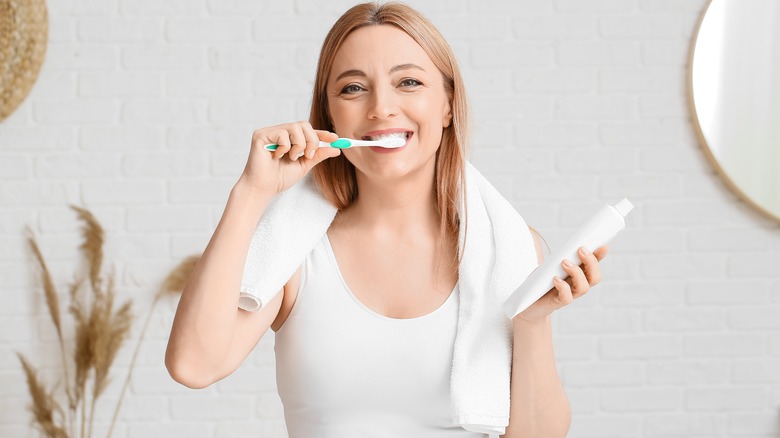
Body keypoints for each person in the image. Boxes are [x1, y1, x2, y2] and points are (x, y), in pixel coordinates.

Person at [165, 2, 608, 437]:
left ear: (448, 107)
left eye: (409, 82)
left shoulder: (506, 248)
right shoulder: (295, 251)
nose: (381, 108)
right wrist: (250, 192)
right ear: (330, 115)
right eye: (353, 88)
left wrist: (530, 322)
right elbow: (193, 365)